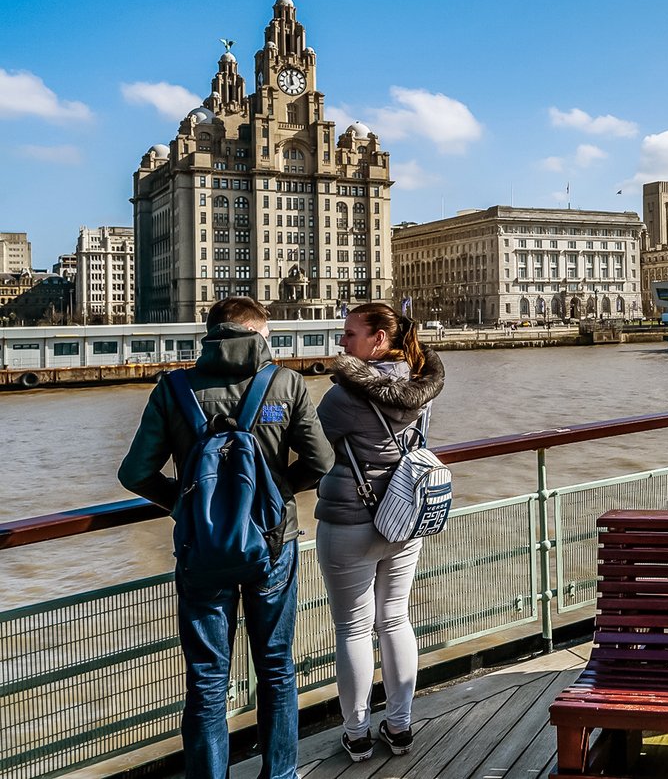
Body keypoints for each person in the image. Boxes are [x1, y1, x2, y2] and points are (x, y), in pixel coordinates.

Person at [119, 297, 332, 779]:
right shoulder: (284, 383)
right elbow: (322, 464)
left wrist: (186, 505)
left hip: (202, 551)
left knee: (208, 679)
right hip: (272, 548)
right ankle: (279, 774)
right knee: (276, 668)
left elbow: (135, 473)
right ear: (258, 335)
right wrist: (274, 498)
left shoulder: (173, 388)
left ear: (211, 333)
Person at [314, 302, 446, 761]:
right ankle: (401, 726)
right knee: (395, 618)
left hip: (349, 519)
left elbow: (310, 448)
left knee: (352, 627)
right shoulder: (420, 388)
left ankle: (356, 733)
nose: (342, 342)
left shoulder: (341, 397)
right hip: (404, 515)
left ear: (378, 340)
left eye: (351, 335)